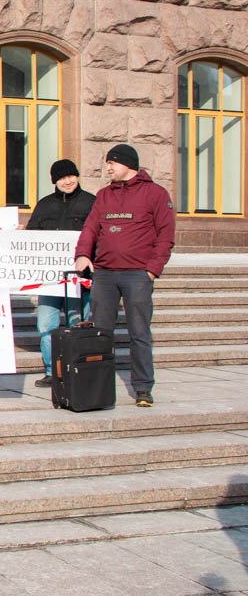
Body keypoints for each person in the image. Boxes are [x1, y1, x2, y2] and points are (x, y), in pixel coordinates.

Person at [74, 144, 175, 408]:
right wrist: (83, 253)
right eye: (107, 163)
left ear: (127, 164)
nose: (107, 167)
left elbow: (166, 235)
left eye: (112, 163)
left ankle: (142, 388)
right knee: (101, 333)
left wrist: (153, 269)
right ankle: (99, 387)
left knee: (139, 332)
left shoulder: (155, 193)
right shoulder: (104, 195)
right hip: (105, 274)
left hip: (137, 275)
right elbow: (90, 228)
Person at [26, 159, 96, 388]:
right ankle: (51, 370)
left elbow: (99, 236)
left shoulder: (91, 203)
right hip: (49, 280)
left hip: (80, 277)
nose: (67, 181)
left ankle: (82, 368)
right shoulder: (44, 205)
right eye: (62, 178)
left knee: (80, 324)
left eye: (71, 176)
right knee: (46, 325)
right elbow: (30, 237)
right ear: (54, 181)